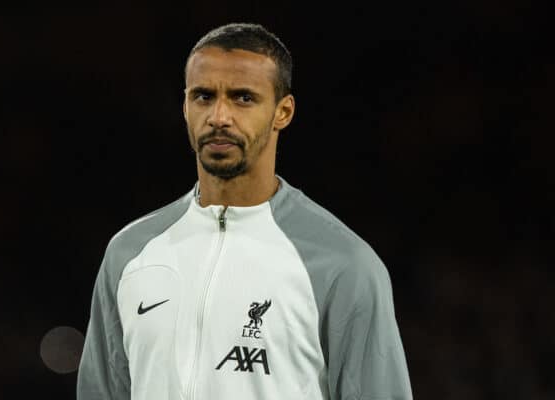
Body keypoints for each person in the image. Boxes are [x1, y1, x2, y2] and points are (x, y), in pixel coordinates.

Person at [77, 22, 413, 400]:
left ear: (282, 112)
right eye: (204, 96)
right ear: (185, 106)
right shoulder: (131, 254)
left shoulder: (342, 265)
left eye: (243, 98)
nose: (219, 116)